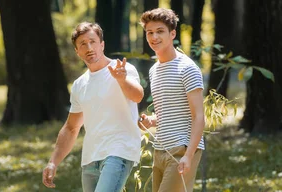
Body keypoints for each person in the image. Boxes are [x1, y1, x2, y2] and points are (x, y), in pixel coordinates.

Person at [42, 22, 144, 192]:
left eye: (93, 42)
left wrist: (121, 80)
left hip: (119, 152)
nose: (89, 48)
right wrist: (53, 161)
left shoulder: (122, 69)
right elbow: (71, 128)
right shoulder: (79, 85)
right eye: (83, 44)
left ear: (102, 44)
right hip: (90, 159)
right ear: (77, 51)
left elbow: (137, 96)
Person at [138, 8, 205, 192]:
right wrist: (151, 121)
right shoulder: (154, 70)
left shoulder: (187, 68)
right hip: (160, 150)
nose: (154, 37)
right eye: (149, 32)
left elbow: (199, 117)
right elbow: (168, 113)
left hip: (181, 149)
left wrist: (189, 155)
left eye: (160, 31)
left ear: (172, 33)